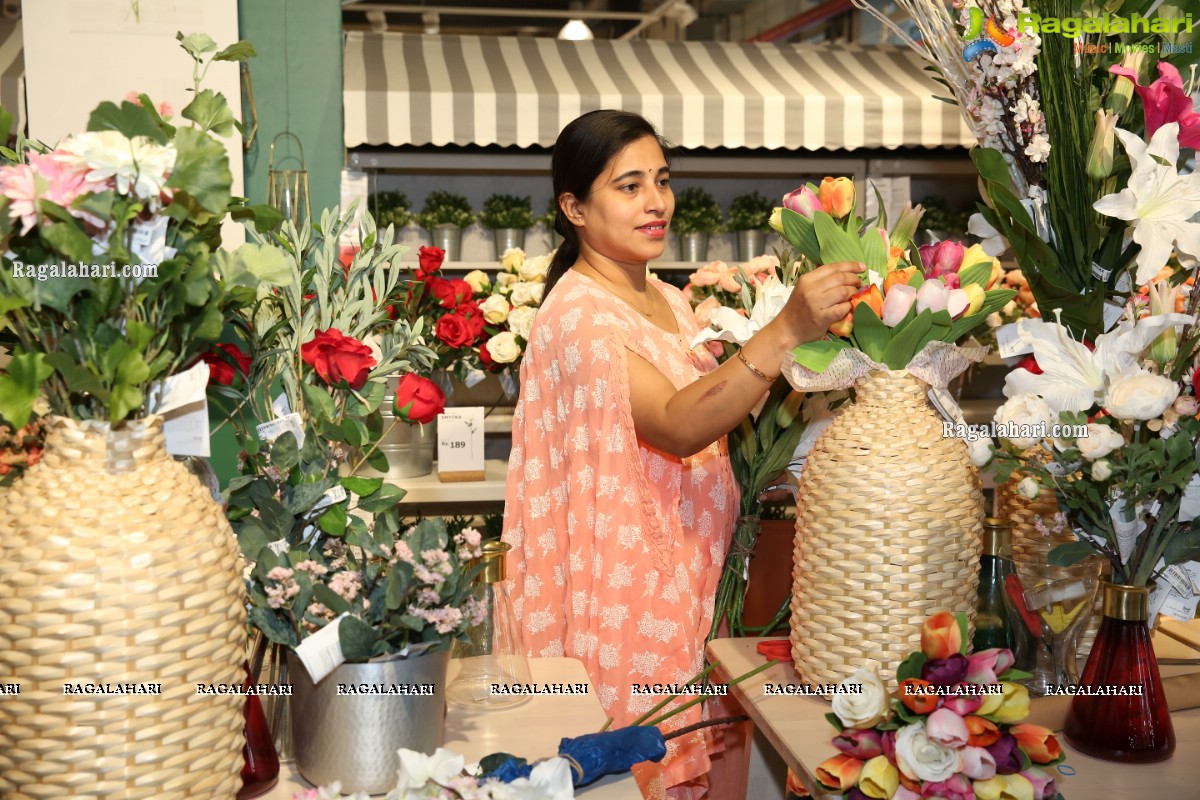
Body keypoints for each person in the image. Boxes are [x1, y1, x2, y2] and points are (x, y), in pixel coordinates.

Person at [501, 110, 861, 799]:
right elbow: (676, 424)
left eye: (661, 181)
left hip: (696, 570)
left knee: (700, 758)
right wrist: (786, 328)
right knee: (643, 763)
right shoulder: (578, 314)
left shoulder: (667, 298)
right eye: (629, 186)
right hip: (627, 591)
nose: (656, 202)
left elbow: (720, 414)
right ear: (574, 207)